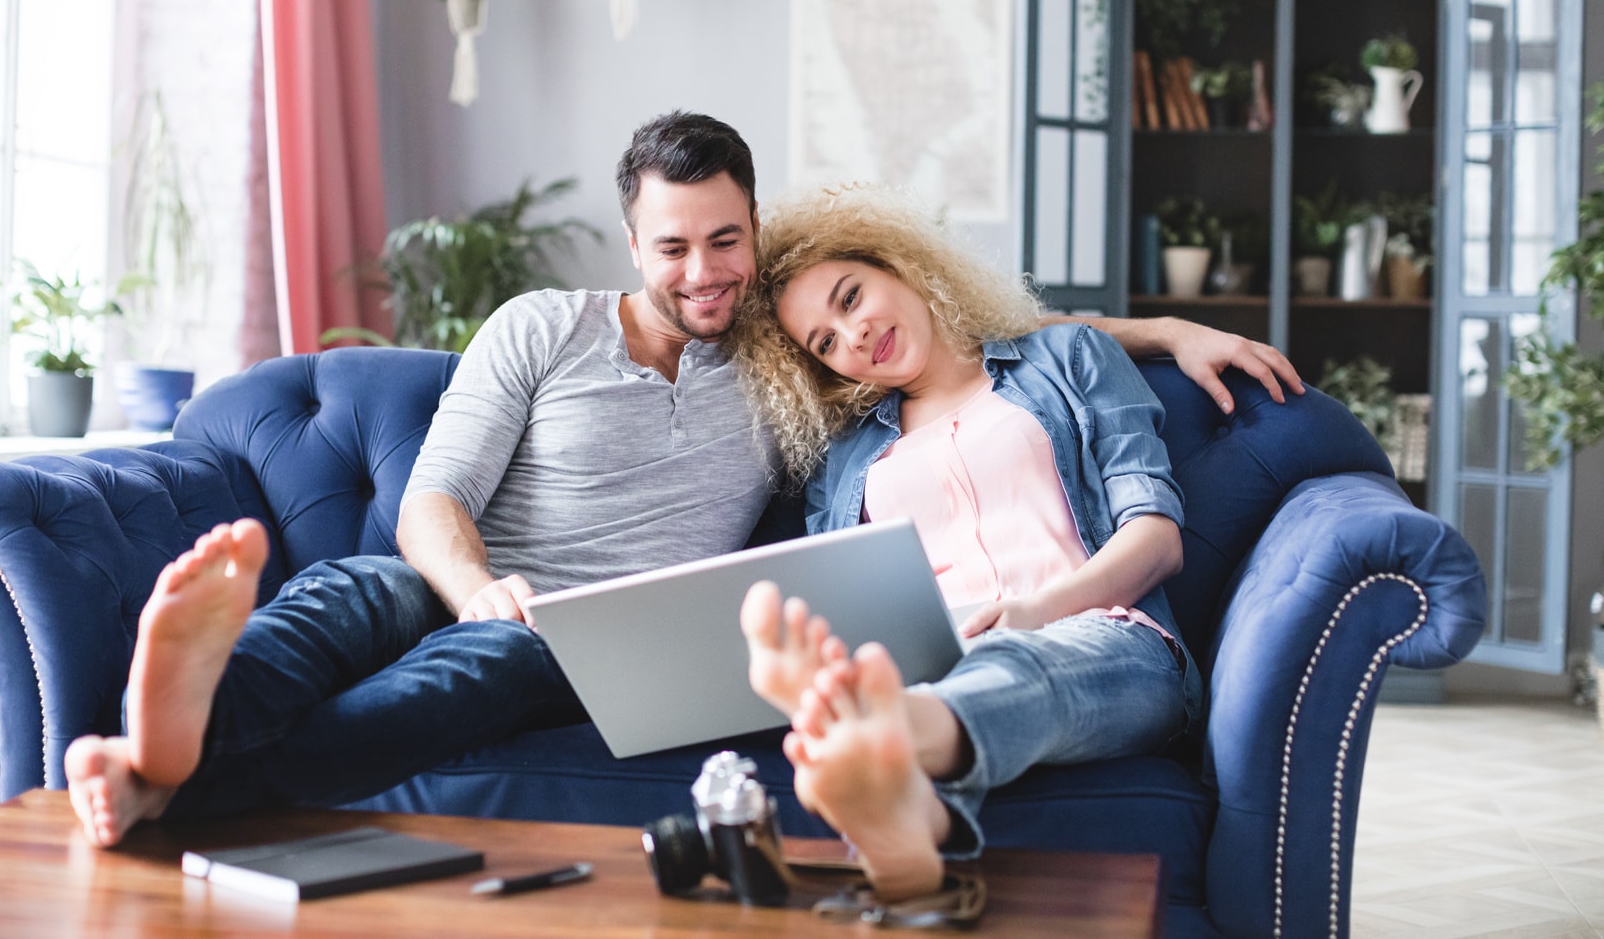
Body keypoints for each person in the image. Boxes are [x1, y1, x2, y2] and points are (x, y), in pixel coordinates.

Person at [66, 111, 1298, 849]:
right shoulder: (551, 328)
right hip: (469, 580)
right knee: (345, 591)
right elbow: (432, 499)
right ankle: (168, 738)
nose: (703, 270)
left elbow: (979, 340)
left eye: (726, 241)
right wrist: (480, 582)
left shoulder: (778, 374)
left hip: (594, 635)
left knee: (492, 658)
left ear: (754, 233)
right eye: (673, 247)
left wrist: (1170, 333)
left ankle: (174, 768)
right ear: (631, 242)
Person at [732, 183, 1211, 901]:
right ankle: (909, 817)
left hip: (1106, 635)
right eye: (825, 343)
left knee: (1020, 666)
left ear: (900, 263)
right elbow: (850, 591)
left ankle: (882, 732)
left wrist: (1037, 609)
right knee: (934, 671)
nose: (853, 336)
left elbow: (1157, 536)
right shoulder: (848, 455)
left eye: (851, 297)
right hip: (940, 657)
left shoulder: (1067, 356)